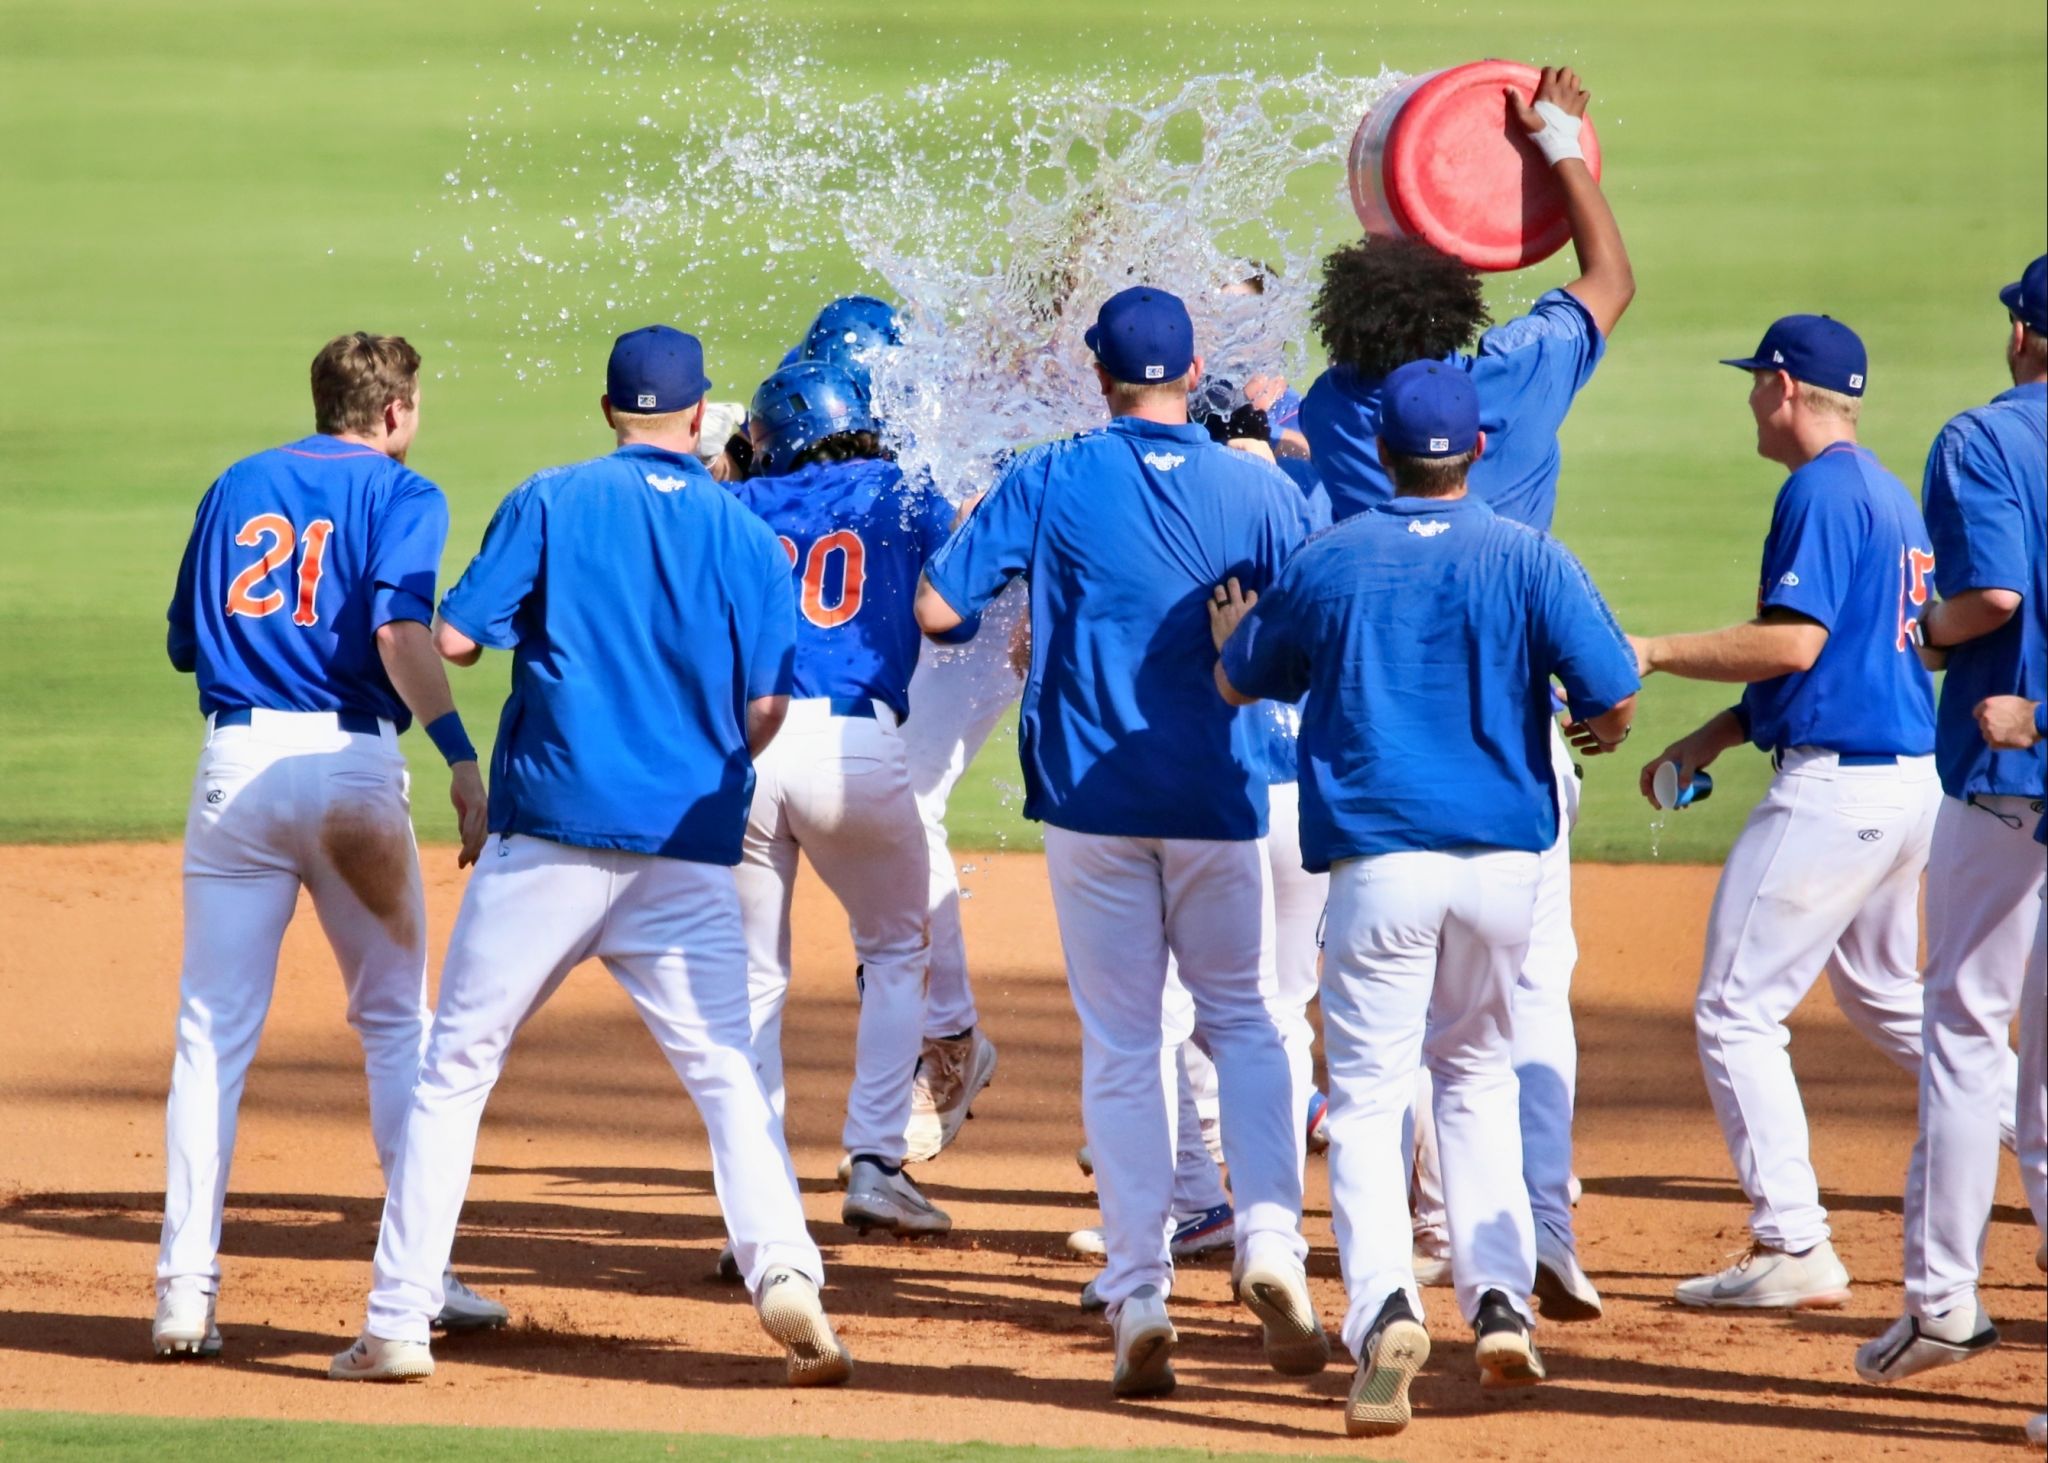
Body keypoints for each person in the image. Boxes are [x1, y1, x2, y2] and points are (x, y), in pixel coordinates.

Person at [328, 326, 851, 1388]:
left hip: (549, 835)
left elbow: (462, 638)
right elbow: (765, 706)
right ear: (700, 416)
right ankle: (787, 1266)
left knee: (455, 1071)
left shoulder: (553, 496)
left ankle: (396, 1321)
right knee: (725, 1080)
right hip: (688, 848)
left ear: (607, 408)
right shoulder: (746, 533)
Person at [915, 286, 1324, 1398]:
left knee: (1123, 1038)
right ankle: (1274, 1247)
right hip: (1221, 797)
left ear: (1099, 376)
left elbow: (939, 613)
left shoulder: (1048, 474)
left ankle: (1140, 1287)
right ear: (1196, 376)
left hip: (1091, 803)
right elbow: (1321, 617)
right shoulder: (1257, 487)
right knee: (1245, 1021)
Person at [1216, 360, 1638, 1437]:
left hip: (1381, 868)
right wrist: (1607, 725)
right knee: (1477, 1071)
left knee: (1364, 1095)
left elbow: (1241, 677)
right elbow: (1612, 693)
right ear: (1475, 451)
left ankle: (1385, 1306)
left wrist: (1234, 626)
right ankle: (1497, 1296)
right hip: (1503, 871)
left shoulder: (1330, 555)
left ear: (1377, 451)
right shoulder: (1527, 555)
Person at [1301, 66, 1635, 1313]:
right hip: (1520, 758)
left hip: (1372, 755)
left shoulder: (1335, 414)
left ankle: (1401, 1273)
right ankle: (1533, 1234)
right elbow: (1607, 281)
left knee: (1380, 1048)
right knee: (1510, 1014)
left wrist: (1399, 208)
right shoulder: (1522, 375)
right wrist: (1555, 149)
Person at [1632, 314, 2013, 1308]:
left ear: (1782, 386)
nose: (1750, 400)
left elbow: (1792, 645)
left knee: (1731, 1008)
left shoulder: (1814, 492)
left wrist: (1651, 648)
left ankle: (1791, 1239)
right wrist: (1709, 738)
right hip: (1906, 785)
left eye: (1754, 381)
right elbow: (1842, 650)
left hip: (1836, 791)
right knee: (1887, 995)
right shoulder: (1883, 494)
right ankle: (2037, 1127)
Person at [154, 332, 504, 1359]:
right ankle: (421, 1276)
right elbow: (401, 634)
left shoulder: (236, 482)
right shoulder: (406, 494)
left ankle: (182, 1293)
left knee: (208, 1036)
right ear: (394, 411)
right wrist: (459, 755)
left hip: (236, 769)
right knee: (397, 1024)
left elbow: (185, 637)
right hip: (353, 772)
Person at [728, 359, 978, 1239]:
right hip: (857, 749)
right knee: (897, 951)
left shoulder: (741, 506)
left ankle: (754, 1207)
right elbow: (964, 612)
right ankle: (875, 1161)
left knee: (754, 977)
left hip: (747, 752)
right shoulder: (904, 488)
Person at [1855, 255, 2045, 1384]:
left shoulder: (1980, 439)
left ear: (2023, 333)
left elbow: (1993, 597)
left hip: (2003, 780)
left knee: (1968, 1033)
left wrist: (1925, 635)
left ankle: (1942, 1303)